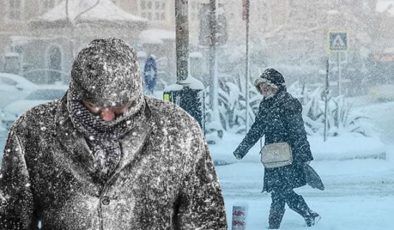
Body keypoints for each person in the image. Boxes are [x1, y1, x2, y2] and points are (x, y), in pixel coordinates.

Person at [0, 38, 227, 229]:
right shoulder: (33, 131)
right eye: (94, 105)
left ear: (136, 93)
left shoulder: (178, 130)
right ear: (77, 93)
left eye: (119, 106)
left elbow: (205, 219)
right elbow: (10, 220)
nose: (107, 116)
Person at [233, 68, 320, 229]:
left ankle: (275, 225)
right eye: (261, 86)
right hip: (273, 156)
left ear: (276, 86)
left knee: (280, 192)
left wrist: (303, 155)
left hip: (288, 155)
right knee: (279, 192)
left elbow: (298, 131)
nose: (264, 89)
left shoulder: (288, 103)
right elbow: (257, 128)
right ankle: (307, 214)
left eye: (267, 85)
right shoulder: (265, 105)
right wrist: (242, 149)